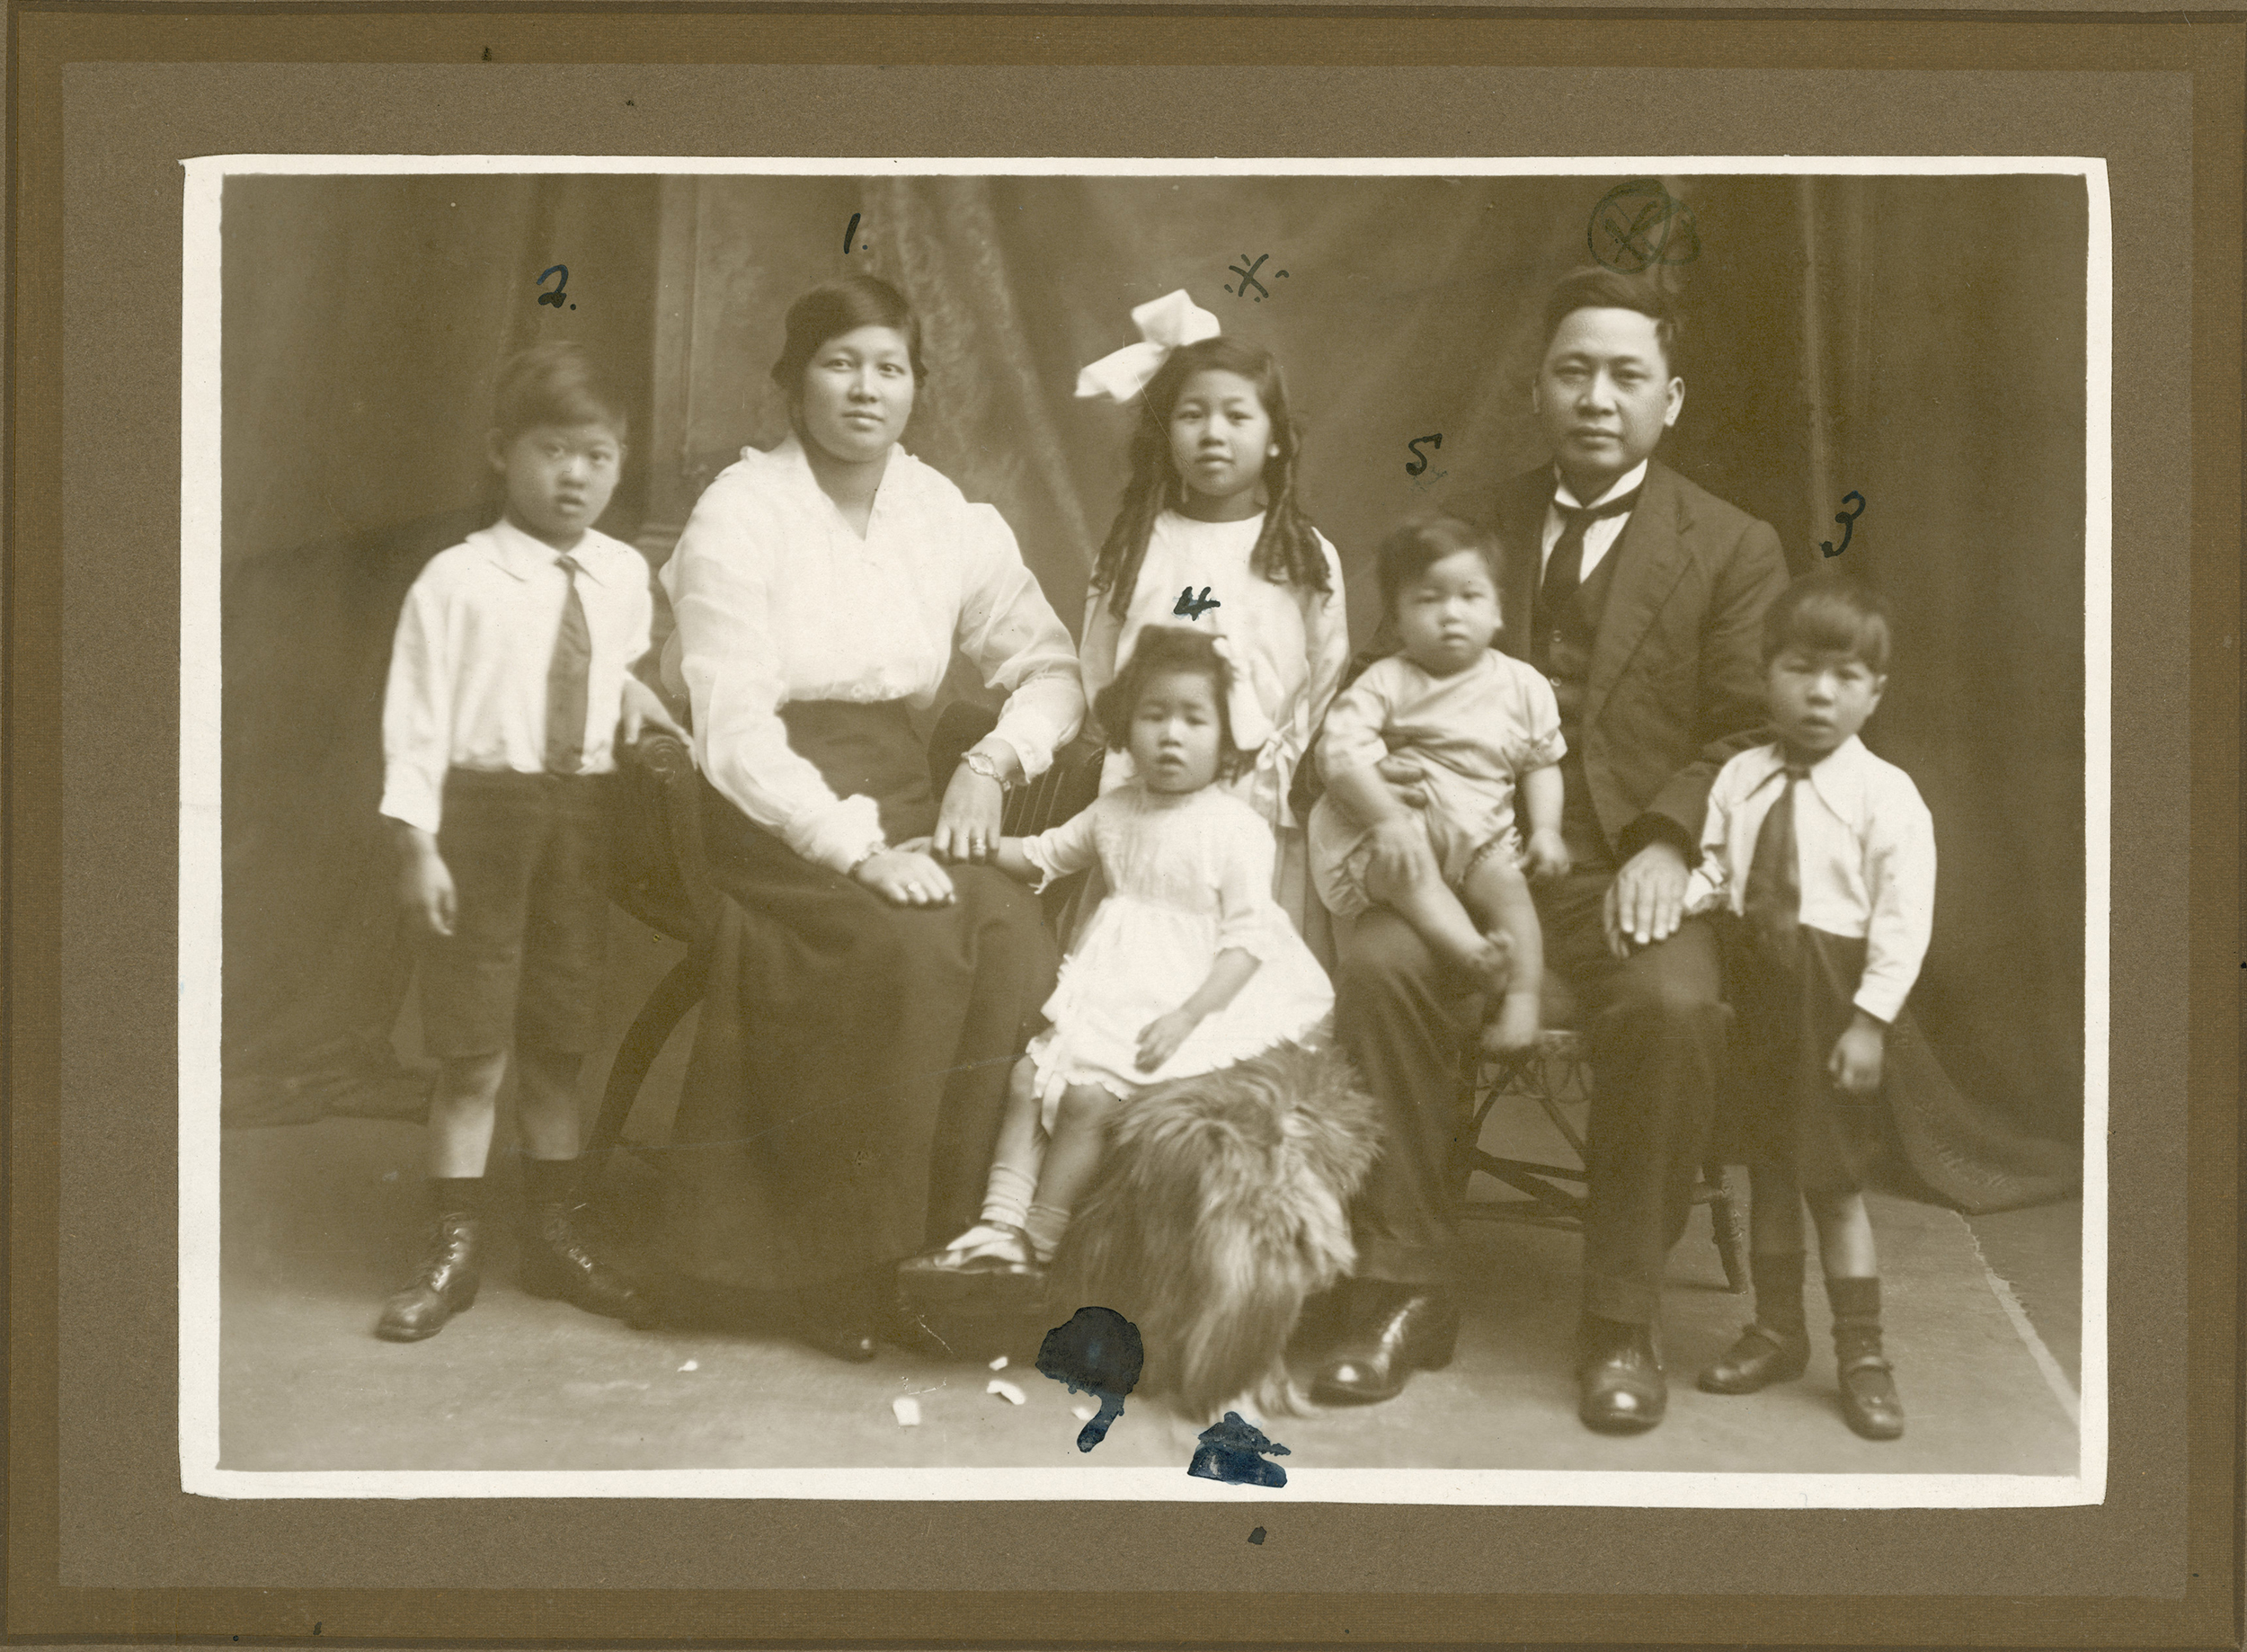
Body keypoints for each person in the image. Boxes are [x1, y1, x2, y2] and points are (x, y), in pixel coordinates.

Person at [1312, 268, 1789, 1428]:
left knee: (1674, 1003)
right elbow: (1373, 679)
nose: (1596, 397)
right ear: (1537, 389)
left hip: (1622, 866)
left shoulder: (1733, 545)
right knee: (1379, 963)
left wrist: (1668, 840)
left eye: (1626, 375)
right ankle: (1404, 1285)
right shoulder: (1471, 523)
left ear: (1671, 398)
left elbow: (1747, 727)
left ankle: (1621, 1315)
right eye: (1573, 371)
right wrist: (1393, 782)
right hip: (1462, 855)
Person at [656, 275, 1085, 1361]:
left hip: (904, 788)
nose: (865, 388)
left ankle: (950, 1250)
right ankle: (833, 1261)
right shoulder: (741, 511)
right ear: (793, 381)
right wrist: (852, 849)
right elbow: (732, 726)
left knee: (1007, 928)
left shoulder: (942, 514)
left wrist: (988, 762)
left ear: (915, 386)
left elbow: (1050, 667)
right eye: (840, 363)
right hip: (769, 808)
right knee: (903, 940)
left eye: (889, 367)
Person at [374, 341, 684, 1342]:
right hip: (482, 821)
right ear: (501, 452)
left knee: (558, 1038)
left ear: (620, 462)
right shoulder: (456, 581)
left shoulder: (623, 572)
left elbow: (611, 660)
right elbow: (416, 722)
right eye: (554, 450)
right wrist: (419, 845)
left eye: (598, 455)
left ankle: (554, 1234)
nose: (575, 475)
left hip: (580, 822)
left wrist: (631, 693)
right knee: (473, 1047)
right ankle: (452, 1244)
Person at [900, 626, 1334, 1296]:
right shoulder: (1116, 810)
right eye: (1154, 716)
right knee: (1026, 1079)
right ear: (1128, 727)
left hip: (1194, 992)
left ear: (1225, 739)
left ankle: (1039, 1242)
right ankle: (998, 1226)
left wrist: (1187, 1017)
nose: (1171, 736)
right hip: (1114, 980)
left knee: (1086, 1099)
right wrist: (955, 845)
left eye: (1194, 720)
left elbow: (1249, 942)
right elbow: (1042, 854)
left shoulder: (1236, 829)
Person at [1684, 573, 1931, 1442]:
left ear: (1875, 692)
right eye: (1799, 669)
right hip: (1756, 997)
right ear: (1766, 675)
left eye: (1845, 676)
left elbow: (1902, 921)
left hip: (1832, 1007)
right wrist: (1675, 896)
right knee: (1768, 1173)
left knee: (1832, 1184)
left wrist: (1869, 1023)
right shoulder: (1740, 777)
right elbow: (1718, 872)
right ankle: (1777, 1331)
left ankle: (1862, 1354)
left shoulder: (1886, 797)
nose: (1820, 693)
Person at [1074, 292, 1350, 947]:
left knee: (1246, 958)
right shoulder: (1136, 547)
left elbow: (1327, 673)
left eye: (1237, 415)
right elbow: (1100, 664)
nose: (1213, 433)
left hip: (1259, 801)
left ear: (1275, 438)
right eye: (1192, 415)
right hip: (1150, 791)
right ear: (1165, 434)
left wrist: (1279, 757)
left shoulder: (1302, 554)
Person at [1308, 516, 1568, 1054]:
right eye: (1428, 600)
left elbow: (1541, 762)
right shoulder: (1387, 681)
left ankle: (1522, 998)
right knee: (1413, 876)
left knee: (1510, 888)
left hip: (1482, 837)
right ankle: (1472, 954)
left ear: (1497, 610)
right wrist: (1388, 821)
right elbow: (1339, 752)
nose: (1451, 614)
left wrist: (1546, 829)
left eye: (1470, 596)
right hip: (1395, 834)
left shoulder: (1523, 685)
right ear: (1398, 619)